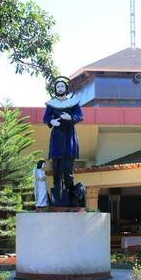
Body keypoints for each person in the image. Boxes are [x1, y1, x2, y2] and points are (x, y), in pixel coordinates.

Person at [43, 78, 84, 206]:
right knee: (56, 171)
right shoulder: (51, 104)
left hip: (69, 137)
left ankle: (72, 195)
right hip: (56, 139)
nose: (60, 88)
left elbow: (80, 116)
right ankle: (57, 197)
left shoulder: (73, 102)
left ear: (66, 88)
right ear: (55, 89)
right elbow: (46, 118)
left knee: (68, 171)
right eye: (58, 87)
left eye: (62, 86)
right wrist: (51, 122)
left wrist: (70, 117)